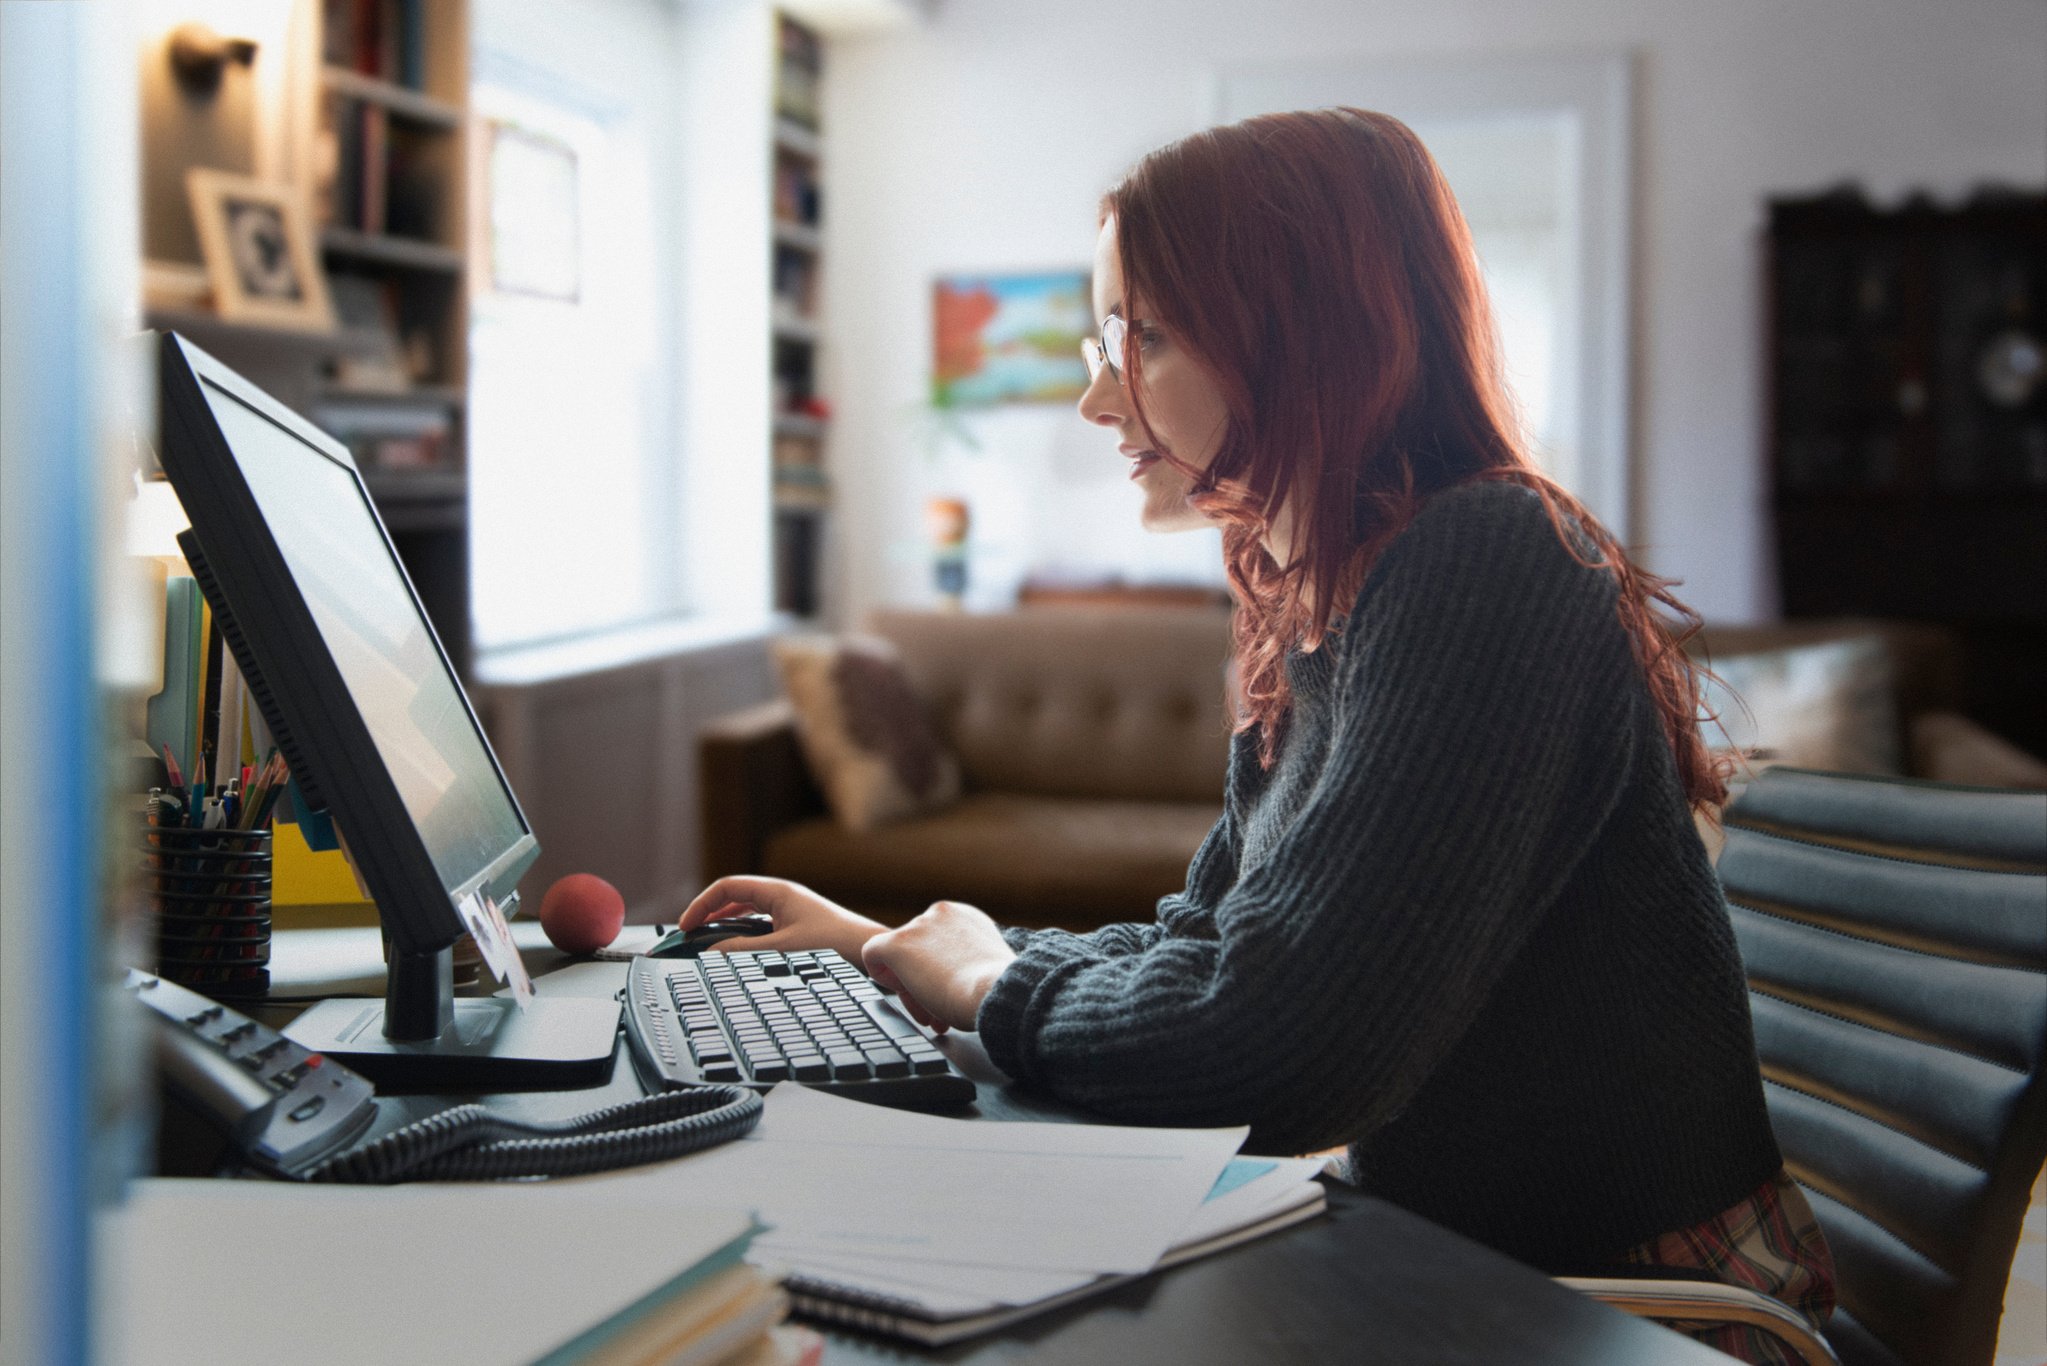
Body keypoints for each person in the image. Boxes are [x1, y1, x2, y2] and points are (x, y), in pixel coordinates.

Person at [680, 108, 1833, 1362]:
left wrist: (990, 980)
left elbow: (1275, 1049)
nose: (1093, 395)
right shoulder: (1323, 600)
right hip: (1467, 1260)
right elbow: (1212, 943)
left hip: (1643, 1310)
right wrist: (906, 950)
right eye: (1103, 336)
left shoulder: (1487, 559)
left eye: (1145, 336)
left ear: (1304, 336)